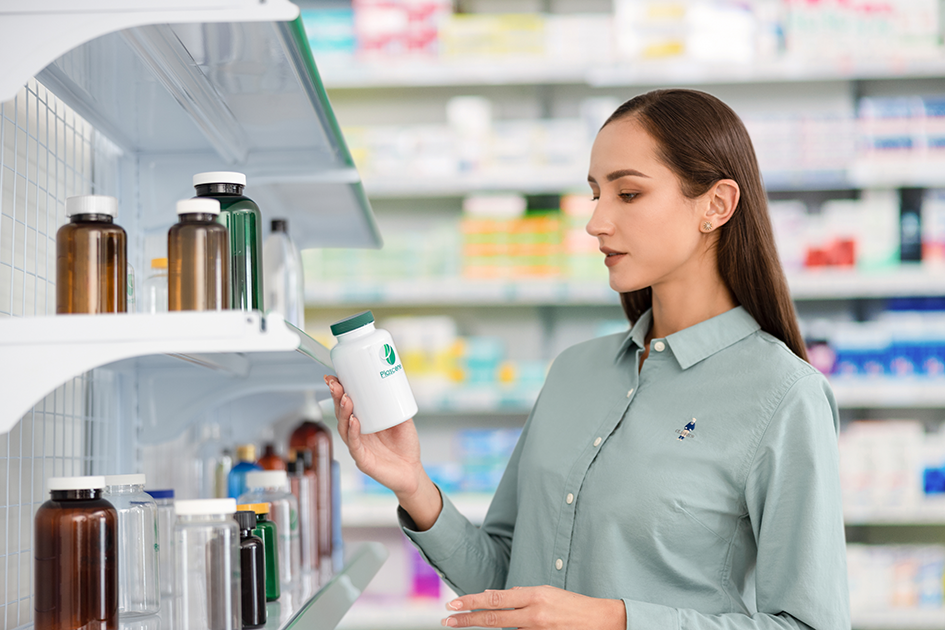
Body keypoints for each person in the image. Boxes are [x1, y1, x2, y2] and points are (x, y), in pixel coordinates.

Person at [325, 89, 850, 629]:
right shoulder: (575, 371)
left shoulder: (783, 394)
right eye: (596, 194)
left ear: (715, 205)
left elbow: (809, 624)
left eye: (627, 194)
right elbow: (507, 579)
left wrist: (614, 620)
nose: (596, 222)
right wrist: (412, 484)